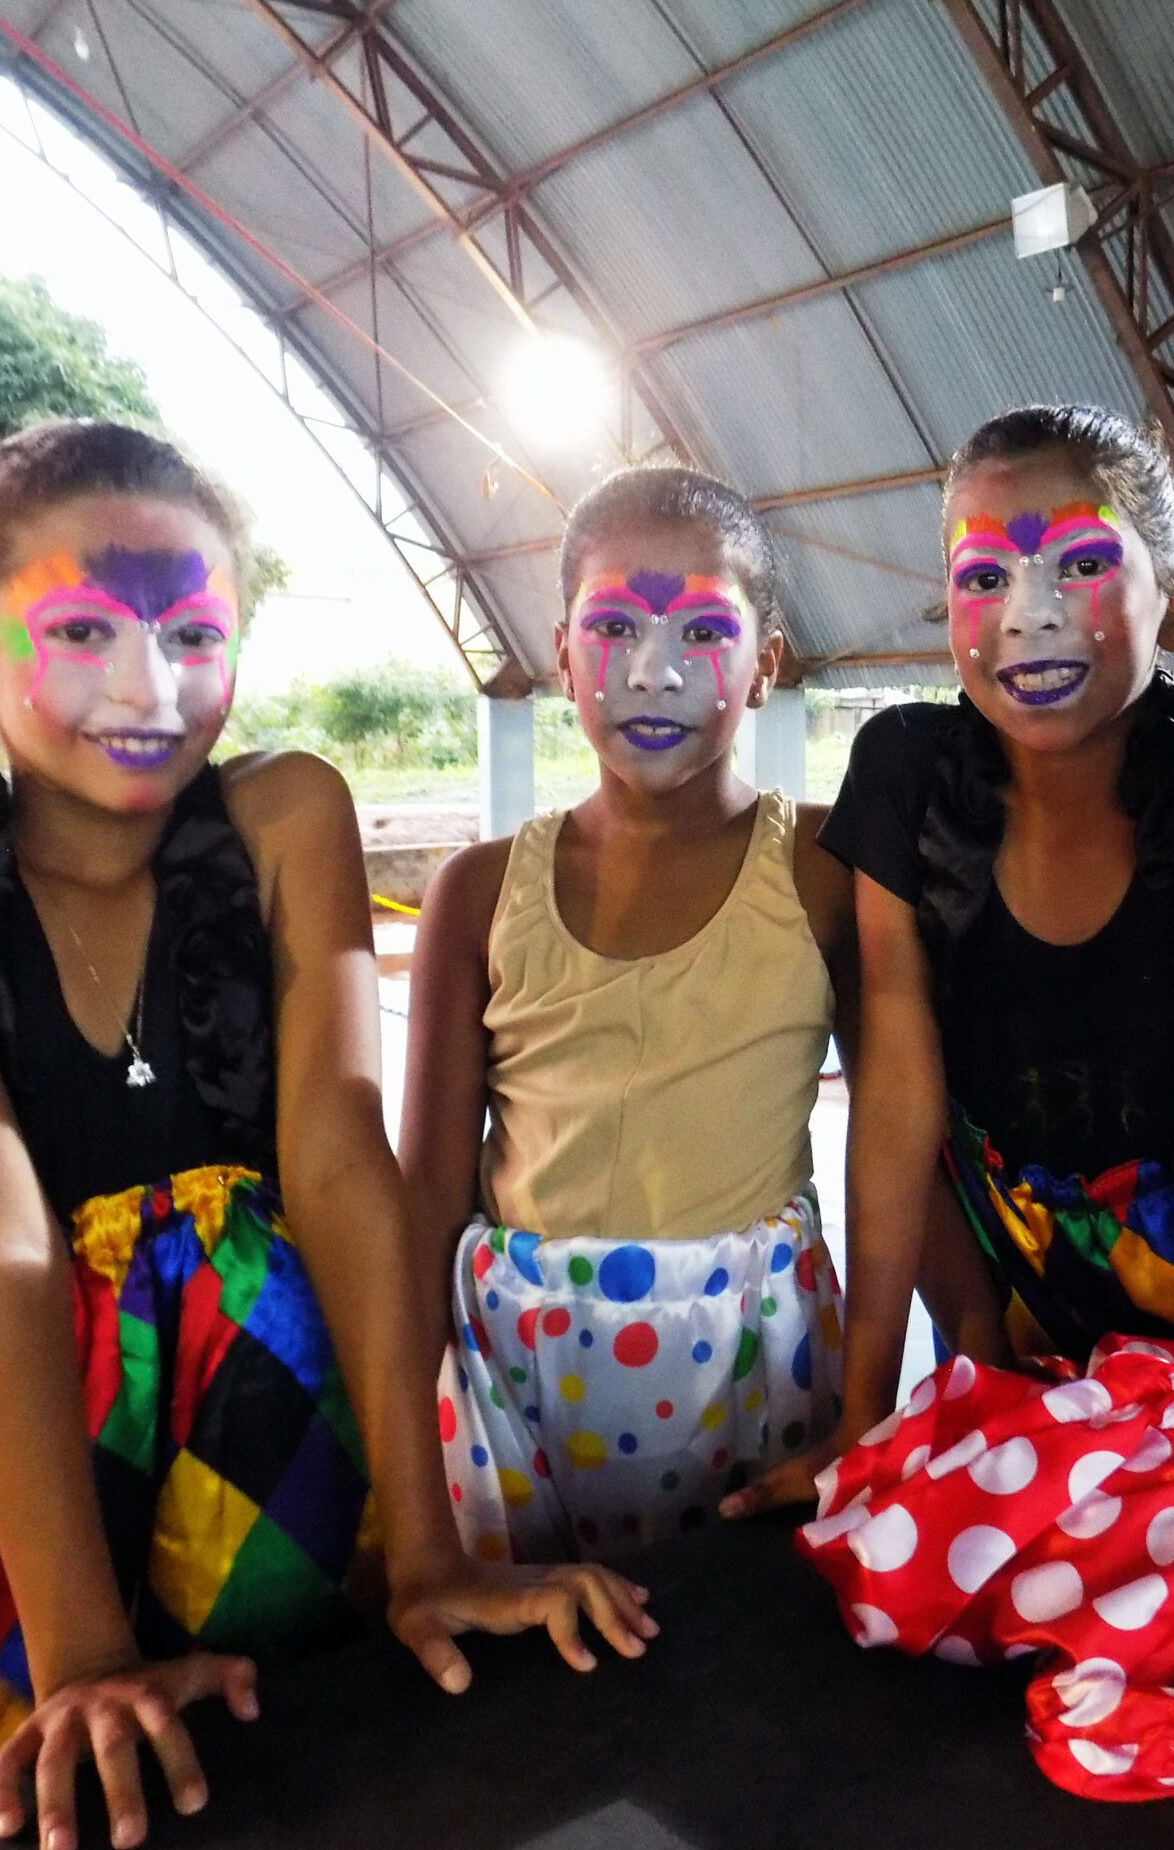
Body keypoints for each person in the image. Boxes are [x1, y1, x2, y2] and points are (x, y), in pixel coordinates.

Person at [0, 421, 652, 1849]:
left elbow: (342, 1165)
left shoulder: (286, 817)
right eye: (81, 632)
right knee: (14, 1803)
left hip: (259, 1425)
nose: (151, 688)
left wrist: (427, 1551)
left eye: (193, 633)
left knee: (309, 1781)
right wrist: (82, 1660)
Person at [726, 404, 1174, 1520]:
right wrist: (867, 1417)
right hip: (1014, 1301)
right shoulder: (910, 774)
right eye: (984, 578)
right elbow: (897, 1106)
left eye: (1078, 564)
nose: (1028, 616)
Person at [400, 466, 855, 1561]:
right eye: (614, 628)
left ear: (765, 665)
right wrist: (402, 1461)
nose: (654, 670)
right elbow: (423, 1195)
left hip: (756, 1363)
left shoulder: (827, 869)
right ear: (563, 655)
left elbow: (899, 1152)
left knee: (741, 1634)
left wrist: (874, 1402)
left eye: (702, 630)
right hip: (514, 1377)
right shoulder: (478, 890)